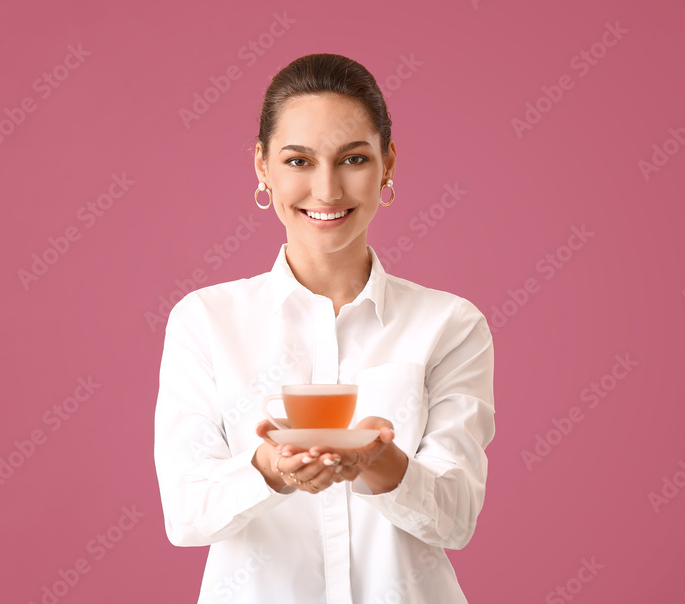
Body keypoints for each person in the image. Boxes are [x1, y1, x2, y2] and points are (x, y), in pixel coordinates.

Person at [154, 53, 495, 603]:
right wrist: (267, 469)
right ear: (262, 167)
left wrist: (378, 461)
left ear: (387, 163)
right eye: (298, 161)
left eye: (353, 158)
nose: (328, 190)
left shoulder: (450, 325)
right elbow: (186, 515)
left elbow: (455, 519)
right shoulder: (206, 321)